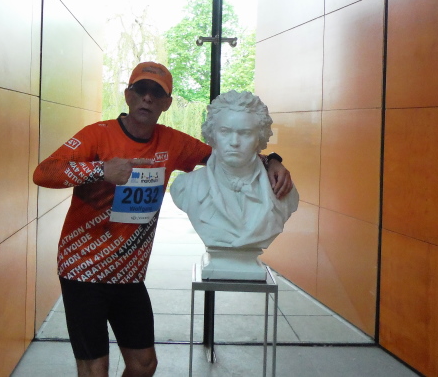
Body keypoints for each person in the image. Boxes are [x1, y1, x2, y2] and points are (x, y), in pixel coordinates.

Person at [33, 62, 293, 377]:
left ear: (167, 103)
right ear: (128, 95)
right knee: (95, 369)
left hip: (129, 275)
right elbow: (43, 172)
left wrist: (272, 162)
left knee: (144, 365)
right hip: (83, 271)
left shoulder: (172, 142)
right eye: (141, 90)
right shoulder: (97, 134)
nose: (148, 98)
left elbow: (227, 155)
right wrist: (101, 170)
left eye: (156, 93)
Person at [171, 91, 299, 280]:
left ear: (260, 138)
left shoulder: (285, 192)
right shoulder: (185, 187)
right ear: (212, 135)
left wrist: (273, 160)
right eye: (225, 131)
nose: (234, 142)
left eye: (245, 133)